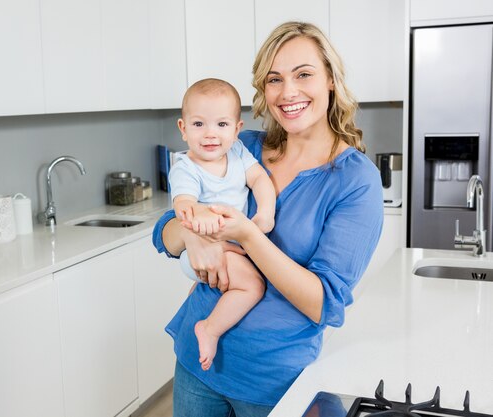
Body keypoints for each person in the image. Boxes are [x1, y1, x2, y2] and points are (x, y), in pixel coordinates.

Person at [152, 21, 384, 416]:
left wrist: (247, 234)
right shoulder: (243, 147)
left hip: (273, 384)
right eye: (275, 79)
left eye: (304, 74)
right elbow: (163, 234)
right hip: (196, 364)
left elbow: (323, 303)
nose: (288, 91)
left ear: (330, 79)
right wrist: (192, 235)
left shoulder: (356, 181)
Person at [170, 78, 276, 371]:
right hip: (206, 248)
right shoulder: (186, 168)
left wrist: (265, 213)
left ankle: (197, 308)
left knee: (214, 286)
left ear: (237, 129)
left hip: (230, 244)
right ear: (183, 129)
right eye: (199, 124)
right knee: (252, 286)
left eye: (221, 125)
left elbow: (259, 179)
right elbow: (183, 205)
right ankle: (210, 329)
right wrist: (201, 215)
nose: (210, 135)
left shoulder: (239, 152)